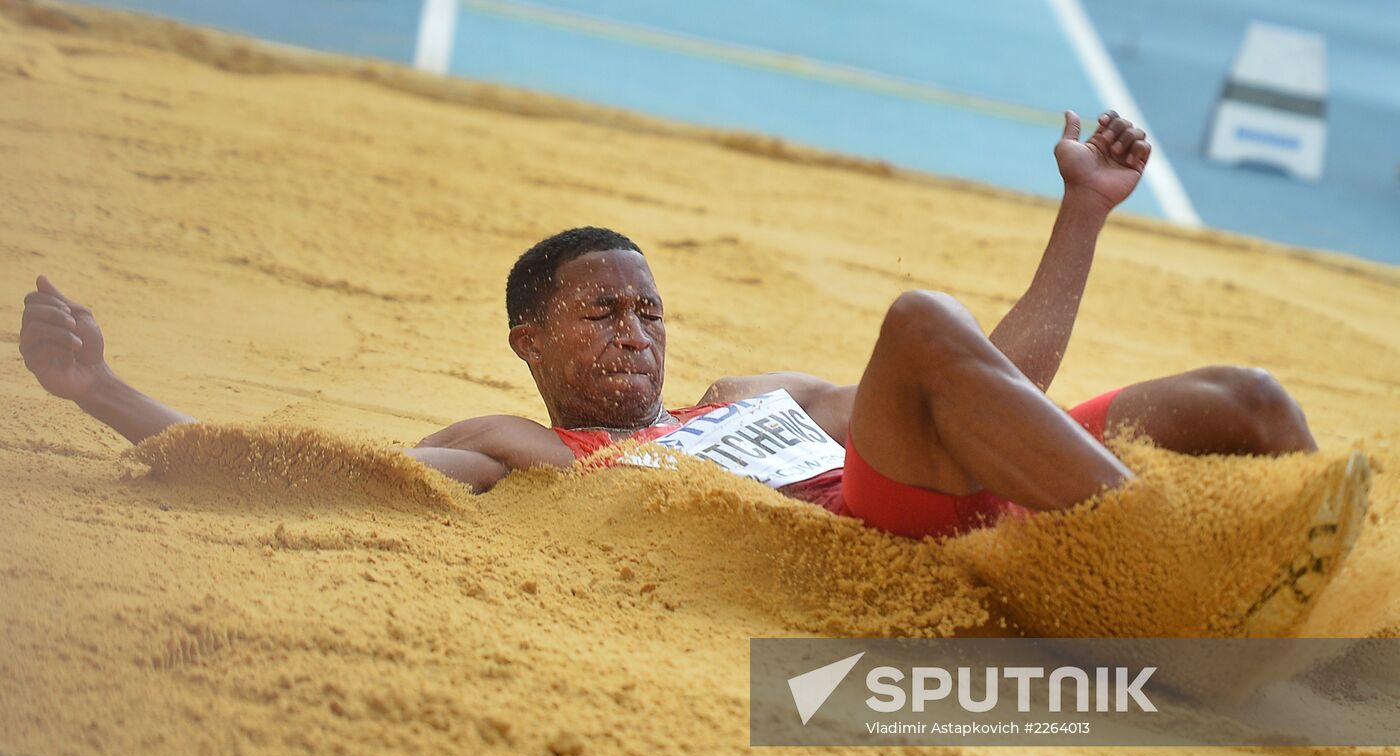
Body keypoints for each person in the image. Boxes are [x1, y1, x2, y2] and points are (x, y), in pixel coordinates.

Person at [18, 111, 1366, 557]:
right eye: (600, 311)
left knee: (1239, 397)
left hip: (968, 490)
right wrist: (100, 393)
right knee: (917, 320)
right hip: (862, 546)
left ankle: (1327, 602)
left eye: (648, 309)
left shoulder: (746, 396)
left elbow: (990, 385)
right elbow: (314, 466)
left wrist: (1082, 212)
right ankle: (1171, 582)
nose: (636, 333)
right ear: (527, 342)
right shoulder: (514, 447)